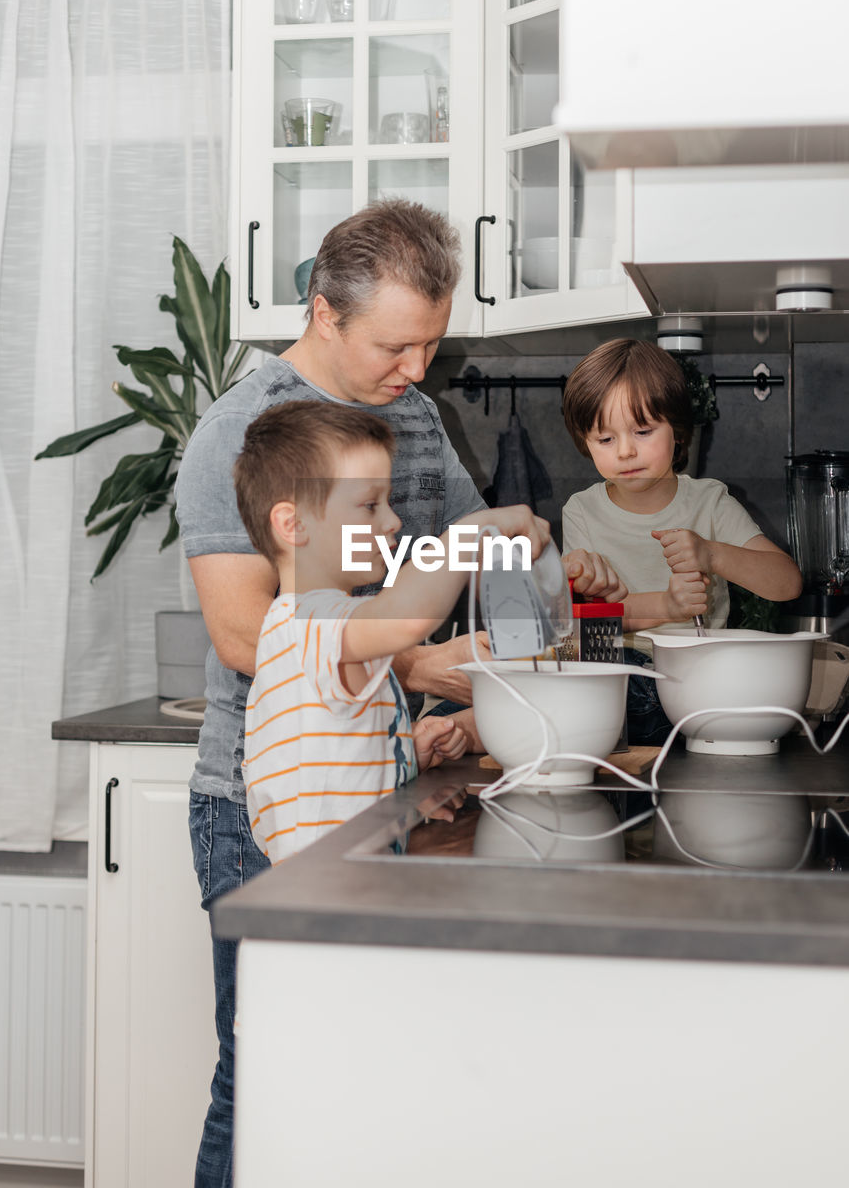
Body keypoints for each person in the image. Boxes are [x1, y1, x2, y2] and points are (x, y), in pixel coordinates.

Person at [175, 198, 625, 1188]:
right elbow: (246, 631)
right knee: (265, 1077)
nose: (418, 370)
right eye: (396, 344)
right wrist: (414, 664)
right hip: (259, 808)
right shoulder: (242, 433)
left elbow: (479, 548)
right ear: (323, 313)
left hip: (370, 790)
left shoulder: (415, 416)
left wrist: (517, 634)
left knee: (362, 1071)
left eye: (432, 341)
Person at [233, 399, 550, 863]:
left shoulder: (329, 626)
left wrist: (401, 757)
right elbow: (406, 615)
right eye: (369, 505)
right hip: (324, 912)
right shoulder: (304, 624)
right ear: (293, 524)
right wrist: (474, 530)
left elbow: (333, 766)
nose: (393, 521)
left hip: (345, 898)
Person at [561, 338, 802, 744]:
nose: (625, 452)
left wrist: (712, 553)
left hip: (692, 683)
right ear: (584, 442)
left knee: (586, 694)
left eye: (643, 431)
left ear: (678, 431)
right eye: (605, 439)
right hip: (607, 673)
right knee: (568, 666)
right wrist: (667, 605)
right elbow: (587, 621)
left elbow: (786, 583)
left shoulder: (709, 502)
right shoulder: (581, 510)